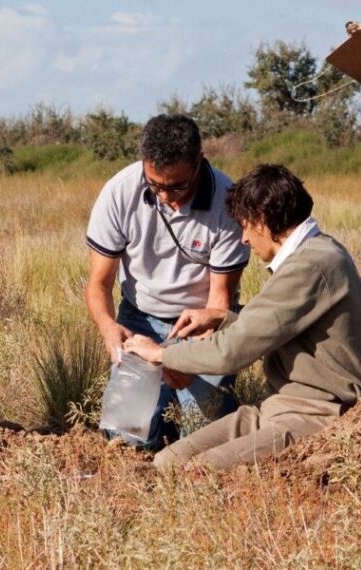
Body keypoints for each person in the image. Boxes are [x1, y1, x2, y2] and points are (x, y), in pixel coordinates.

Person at [125, 164, 361, 470]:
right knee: (167, 462)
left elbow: (231, 352)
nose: (244, 238)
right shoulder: (314, 254)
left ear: (262, 220)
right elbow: (273, 324)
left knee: (198, 473)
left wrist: (161, 353)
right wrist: (221, 317)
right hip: (274, 409)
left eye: (244, 225)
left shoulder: (313, 264)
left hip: (316, 415)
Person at [85, 114, 250, 450]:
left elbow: (219, 303)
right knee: (126, 440)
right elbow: (99, 283)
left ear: (199, 163)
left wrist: (186, 360)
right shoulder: (119, 192)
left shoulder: (227, 203)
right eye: (154, 185)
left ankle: (212, 420)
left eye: (176, 186)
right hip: (139, 318)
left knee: (204, 442)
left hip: (201, 325)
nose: (163, 196)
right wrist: (107, 326)